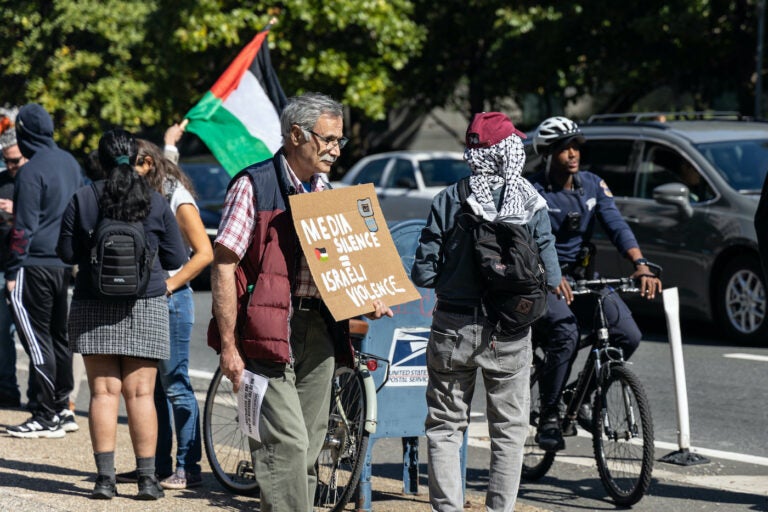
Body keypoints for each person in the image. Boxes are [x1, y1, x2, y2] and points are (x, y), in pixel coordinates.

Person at [210, 91, 392, 511]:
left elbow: (342, 269)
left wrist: (368, 297)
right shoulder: (253, 184)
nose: (335, 150)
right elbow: (223, 266)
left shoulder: (329, 194)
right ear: (296, 135)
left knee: (309, 447)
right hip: (268, 329)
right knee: (286, 444)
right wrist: (229, 346)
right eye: (328, 140)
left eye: (339, 141)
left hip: (320, 329)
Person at [411, 112, 561, 512]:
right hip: (509, 332)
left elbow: (423, 273)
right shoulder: (530, 202)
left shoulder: (448, 198)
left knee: (445, 428)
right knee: (509, 433)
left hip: (452, 328)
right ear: (509, 151)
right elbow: (551, 277)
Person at [57, 128, 187, 500]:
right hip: (144, 303)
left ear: (98, 160)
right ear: (135, 159)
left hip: (92, 301)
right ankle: (147, 480)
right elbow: (176, 259)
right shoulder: (155, 200)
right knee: (141, 393)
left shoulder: (83, 197)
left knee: (103, 392)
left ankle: (104, 480)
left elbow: (66, 253)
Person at [527, 116, 662, 452]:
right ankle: (549, 415)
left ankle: (581, 395)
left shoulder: (591, 184)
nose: (573, 153)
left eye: (576, 147)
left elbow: (617, 226)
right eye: (564, 148)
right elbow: (524, 242)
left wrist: (640, 265)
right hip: (543, 282)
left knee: (628, 335)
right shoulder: (532, 191)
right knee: (566, 332)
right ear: (548, 153)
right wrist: (550, 275)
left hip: (583, 280)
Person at [124, 138, 212, 490]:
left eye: (129, 166)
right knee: (153, 389)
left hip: (173, 301)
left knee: (176, 386)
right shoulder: (147, 190)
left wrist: (172, 284)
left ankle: (188, 467)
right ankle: (157, 467)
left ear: (146, 162)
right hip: (149, 300)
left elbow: (204, 252)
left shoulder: (176, 196)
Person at [5, 103, 82, 437]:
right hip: (62, 263)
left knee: (36, 341)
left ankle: (43, 413)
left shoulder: (31, 170)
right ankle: (63, 409)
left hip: (33, 263)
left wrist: (11, 269)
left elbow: (23, 228)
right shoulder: (70, 162)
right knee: (58, 338)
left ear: (25, 134)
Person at [0, 124, 26, 408]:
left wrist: (14, 210)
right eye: (6, 160)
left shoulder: (32, 179)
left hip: (27, 265)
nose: (10, 166)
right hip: (2, 261)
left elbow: (43, 218)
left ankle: (39, 394)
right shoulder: (2, 179)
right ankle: (7, 389)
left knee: (29, 332)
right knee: (2, 332)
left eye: (15, 160)